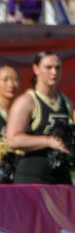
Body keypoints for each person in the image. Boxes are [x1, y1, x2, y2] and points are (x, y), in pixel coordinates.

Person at [6, 51, 74, 184]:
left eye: (58, 68)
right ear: (36, 69)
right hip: (32, 175)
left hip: (61, 175)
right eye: (48, 67)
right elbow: (12, 140)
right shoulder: (27, 101)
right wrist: (47, 141)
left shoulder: (65, 102)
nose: (54, 72)